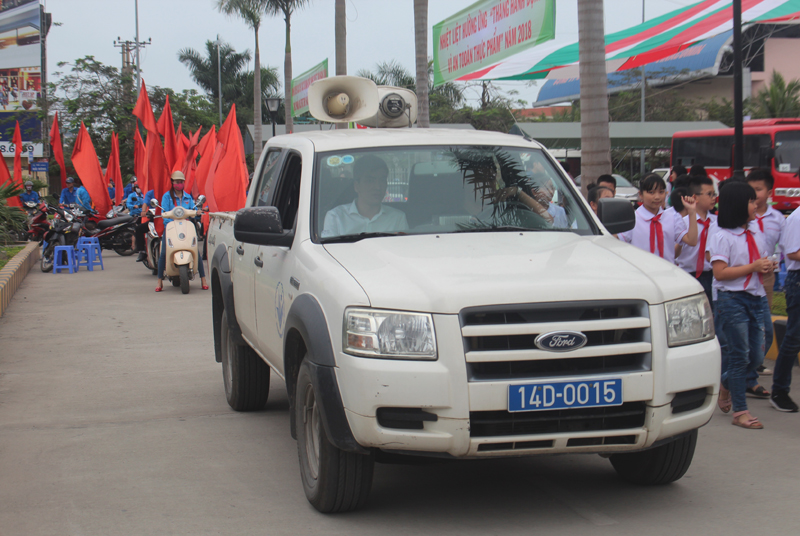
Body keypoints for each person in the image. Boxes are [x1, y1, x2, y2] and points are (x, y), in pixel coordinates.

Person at [710, 181, 772, 428]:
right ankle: (741, 412)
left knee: (756, 355)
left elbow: (760, 262)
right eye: (749, 201)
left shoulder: (756, 232)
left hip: (756, 297)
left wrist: (766, 266)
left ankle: (726, 382)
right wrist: (754, 267)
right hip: (733, 299)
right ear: (737, 205)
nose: (755, 204)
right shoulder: (722, 236)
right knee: (739, 356)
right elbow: (720, 273)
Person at [746, 168, 783, 380]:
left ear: (770, 192)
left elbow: (782, 246)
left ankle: (755, 362)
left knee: (764, 323)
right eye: (750, 189)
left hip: (767, 276)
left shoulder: (777, 218)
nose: (754, 194)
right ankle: (748, 369)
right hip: (745, 274)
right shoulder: (743, 217)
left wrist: (774, 261)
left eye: (758, 190)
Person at [617, 174, 698, 264]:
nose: (657, 197)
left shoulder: (672, 217)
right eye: (651, 192)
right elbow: (616, 242)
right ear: (641, 194)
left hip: (666, 273)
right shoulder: (632, 219)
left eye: (661, 192)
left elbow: (692, 241)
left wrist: (692, 212)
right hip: (641, 273)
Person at [322, 155, 409, 238]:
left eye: (382, 180)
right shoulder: (336, 217)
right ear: (357, 186)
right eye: (370, 181)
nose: (378, 187)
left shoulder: (397, 218)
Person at [770, 195, 800, 412]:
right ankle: (779, 390)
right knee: (794, 338)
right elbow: (792, 252)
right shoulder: (797, 218)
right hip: (797, 280)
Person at [155, 172, 208, 292]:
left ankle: (203, 279)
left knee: (195, 250)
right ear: (172, 182)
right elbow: (165, 213)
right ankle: (159, 281)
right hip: (171, 227)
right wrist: (170, 217)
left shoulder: (188, 197)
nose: (179, 184)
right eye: (177, 181)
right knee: (163, 252)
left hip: (186, 226)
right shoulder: (166, 197)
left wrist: (197, 212)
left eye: (181, 181)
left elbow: (192, 211)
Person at [675, 176, 717, 301]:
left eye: (714, 194)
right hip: (688, 274)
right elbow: (675, 252)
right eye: (709, 194)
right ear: (695, 197)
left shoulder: (716, 222)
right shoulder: (683, 223)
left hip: (711, 274)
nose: (713, 198)